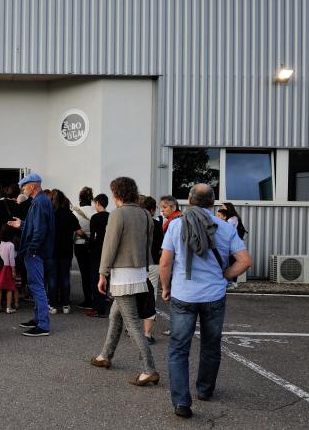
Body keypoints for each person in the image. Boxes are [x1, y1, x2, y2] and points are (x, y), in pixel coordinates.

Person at [160, 184, 252, 419]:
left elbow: (165, 263)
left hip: (183, 295)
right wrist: (226, 275)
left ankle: (181, 402)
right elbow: (244, 261)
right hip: (213, 296)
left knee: (179, 349)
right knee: (211, 346)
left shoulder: (176, 225)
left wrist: (166, 287)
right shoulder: (224, 227)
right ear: (212, 203)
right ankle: (205, 390)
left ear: (189, 201)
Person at [90, 177, 158, 387]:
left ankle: (149, 369)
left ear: (117, 194)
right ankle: (105, 356)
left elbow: (109, 246)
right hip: (139, 273)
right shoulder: (145, 214)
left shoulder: (118, 214)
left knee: (132, 323)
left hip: (122, 275)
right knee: (115, 315)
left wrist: (102, 273)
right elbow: (148, 245)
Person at [8, 173, 55, 337]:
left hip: (35, 251)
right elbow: (37, 227)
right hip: (37, 250)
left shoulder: (39, 203)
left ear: (33, 186)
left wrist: (32, 249)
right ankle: (38, 319)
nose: (23, 189)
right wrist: (22, 224)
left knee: (37, 286)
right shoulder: (41, 201)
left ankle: (43, 324)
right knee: (37, 286)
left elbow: (39, 230)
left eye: (24, 186)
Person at [50, 189, 83, 314]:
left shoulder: (50, 214)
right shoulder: (70, 215)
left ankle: (52, 305)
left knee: (52, 278)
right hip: (66, 250)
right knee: (64, 277)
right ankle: (65, 305)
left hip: (52, 250)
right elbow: (79, 232)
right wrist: (86, 237)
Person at [140, 195, 163, 344]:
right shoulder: (157, 225)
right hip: (153, 263)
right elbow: (161, 248)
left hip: (136, 265)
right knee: (151, 296)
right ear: (153, 210)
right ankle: (147, 333)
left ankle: (131, 328)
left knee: (133, 295)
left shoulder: (134, 224)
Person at [85, 194, 110, 318]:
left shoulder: (95, 218)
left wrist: (89, 247)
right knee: (106, 277)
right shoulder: (111, 216)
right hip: (108, 251)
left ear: (98, 203)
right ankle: (104, 301)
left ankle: (98, 307)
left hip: (96, 251)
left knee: (95, 279)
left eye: (95, 203)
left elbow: (93, 236)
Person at [72, 186, 94, 309]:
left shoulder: (76, 212)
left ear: (80, 198)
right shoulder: (95, 211)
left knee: (84, 273)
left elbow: (75, 231)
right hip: (93, 244)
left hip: (80, 244)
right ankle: (97, 297)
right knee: (93, 272)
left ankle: (87, 300)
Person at [0, 225, 17, 313]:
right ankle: (8, 307)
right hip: (7, 268)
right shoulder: (11, 245)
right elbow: (11, 259)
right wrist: (13, 271)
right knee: (9, 288)